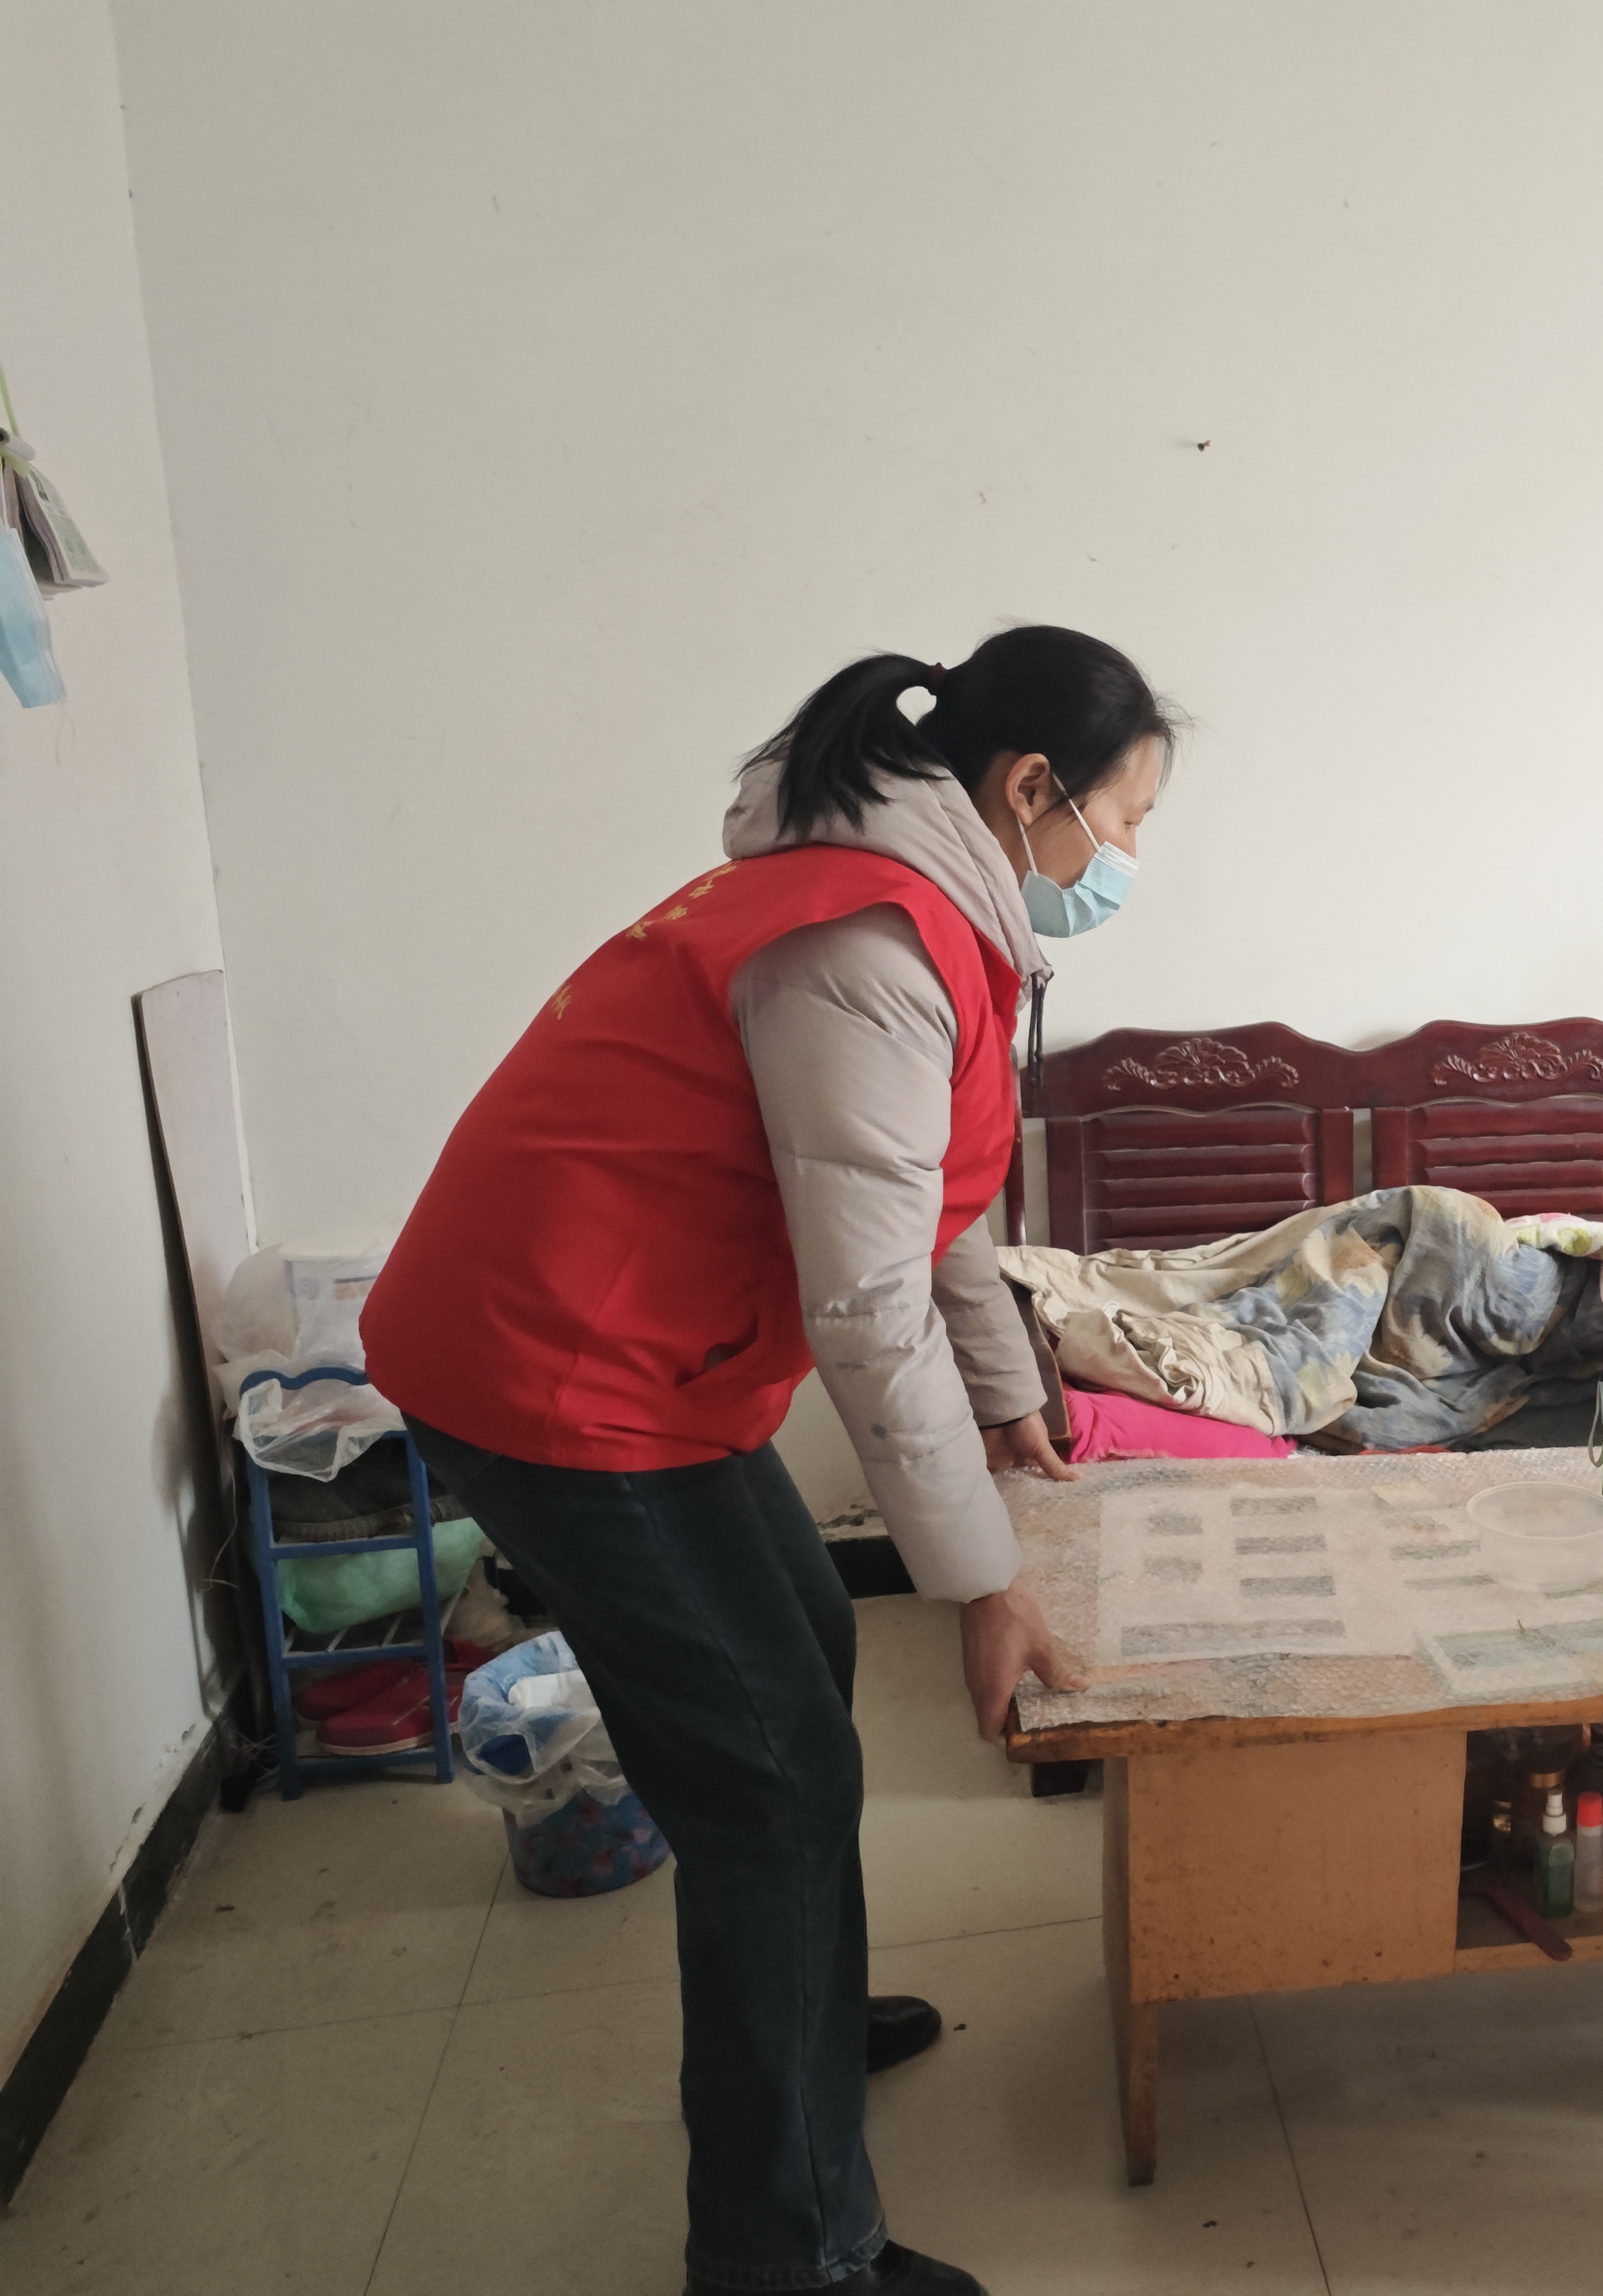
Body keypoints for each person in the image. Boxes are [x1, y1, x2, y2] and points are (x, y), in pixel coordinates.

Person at [361, 625, 1174, 2296]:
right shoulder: (863, 942)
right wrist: (986, 1581)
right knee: (776, 1778)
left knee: (797, 1656)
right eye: (1126, 817)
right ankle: (788, 2253)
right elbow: (867, 1304)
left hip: (627, 1364)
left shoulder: (917, 914)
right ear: (1032, 788)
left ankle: (795, 2024)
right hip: (560, 1379)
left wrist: (1006, 1394)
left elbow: (929, 1205)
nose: (1128, 858)